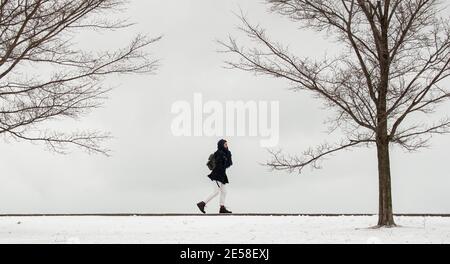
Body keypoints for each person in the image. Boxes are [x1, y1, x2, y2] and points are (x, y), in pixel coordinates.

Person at [197, 139, 233, 214]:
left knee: (224, 192)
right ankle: (202, 203)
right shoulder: (218, 153)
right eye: (225, 144)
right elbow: (220, 165)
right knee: (216, 192)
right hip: (217, 174)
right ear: (221, 145)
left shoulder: (227, 153)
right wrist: (225, 159)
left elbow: (229, 164)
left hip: (222, 175)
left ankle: (222, 208)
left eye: (227, 144)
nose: (227, 146)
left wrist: (228, 155)